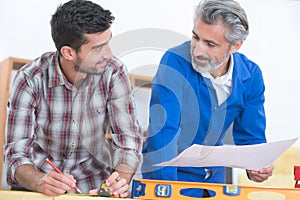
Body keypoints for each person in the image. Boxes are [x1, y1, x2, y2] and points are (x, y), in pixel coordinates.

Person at [4, 0, 142, 197]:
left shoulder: (114, 72)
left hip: (93, 185)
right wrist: (39, 181)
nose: (108, 55)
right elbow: (16, 153)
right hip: (40, 185)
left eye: (108, 43)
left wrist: (120, 179)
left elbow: (128, 139)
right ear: (68, 53)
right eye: (98, 49)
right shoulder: (30, 79)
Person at [142, 0, 273, 197]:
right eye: (196, 37)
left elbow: (251, 138)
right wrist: (166, 190)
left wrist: (257, 166)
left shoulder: (251, 75)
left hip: (214, 182)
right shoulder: (175, 62)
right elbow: (164, 132)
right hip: (170, 176)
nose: (198, 50)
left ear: (235, 46)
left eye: (210, 44)